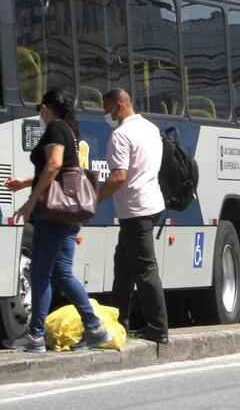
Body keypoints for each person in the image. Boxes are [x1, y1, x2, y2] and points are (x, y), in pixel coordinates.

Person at [4, 89, 111, 353]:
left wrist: (30, 202)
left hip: (52, 214)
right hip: (66, 213)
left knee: (41, 273)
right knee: (62, 273)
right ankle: (95, 328)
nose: (39, 112)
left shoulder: (55, 128)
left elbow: (53, 165)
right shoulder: (70, 130)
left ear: (48, 107)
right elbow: (63, 170)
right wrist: (25, 183)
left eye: (40, 106)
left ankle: (36, 336)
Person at [97, 88, 168, 344]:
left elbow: (118, 176)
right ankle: (120, 323)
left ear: (118, 105)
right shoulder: (150, 128)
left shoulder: (121, 135)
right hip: (151, 204)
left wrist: (95, 199)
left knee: (145, 269)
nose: (106, 113)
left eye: (107, 107)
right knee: (124, 267)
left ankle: (159, 328)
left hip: (136, 210)